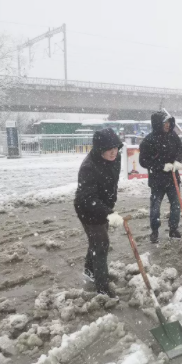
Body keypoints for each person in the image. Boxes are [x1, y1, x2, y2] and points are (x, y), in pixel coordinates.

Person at [74, 128, 123, 298]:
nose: (113, 152)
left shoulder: (116, 158)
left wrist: (109, 206)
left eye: (116, 147)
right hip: (87, 209)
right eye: (109, 149)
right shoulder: (88, 167)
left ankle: (89, 269)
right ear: (99, 148)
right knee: (101, 243)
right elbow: (88, 198)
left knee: (96, 241)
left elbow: (112, 181)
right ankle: (102, 287)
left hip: (103, 205)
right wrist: (109, 213)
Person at [139, 112, 182, 243]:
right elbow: (143, 161)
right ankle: (154, 231)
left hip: (173, 178)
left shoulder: (173, 136)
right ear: (158, 124)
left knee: (176, 205)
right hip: (157, 181)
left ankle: (173, 229)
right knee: (155, 207)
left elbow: (181, 148)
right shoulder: (148, 140)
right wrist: (161, 166)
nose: (168, 125)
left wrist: (178, 161)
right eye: (165, 122)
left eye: (169, 122)